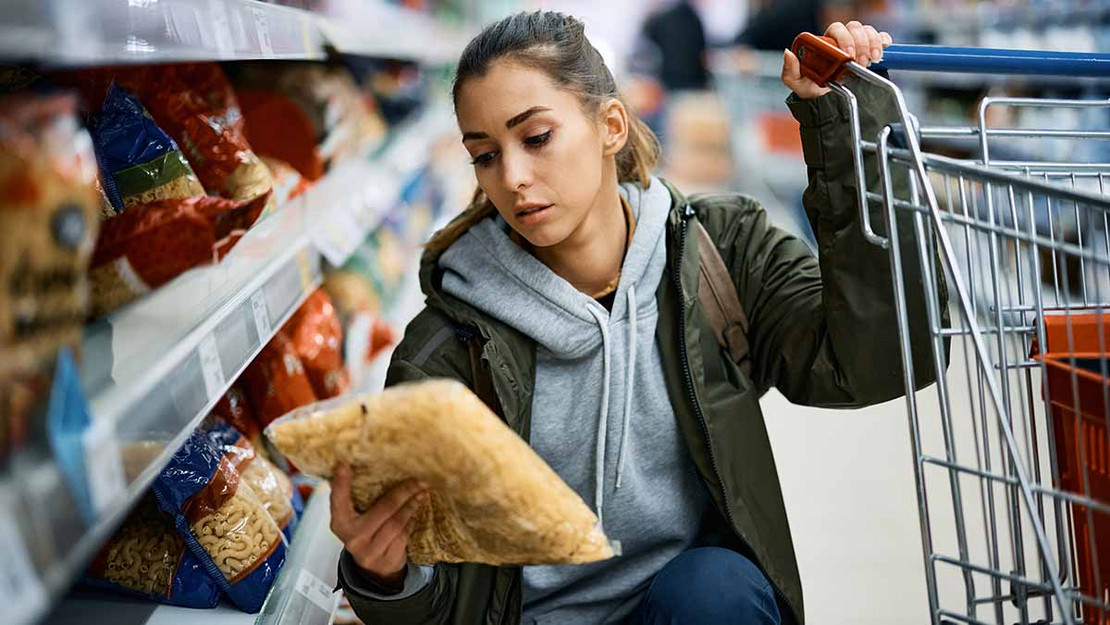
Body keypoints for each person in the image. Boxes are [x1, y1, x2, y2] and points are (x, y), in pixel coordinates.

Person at [331, 11, 941, 625]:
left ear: (611, 126)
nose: (512, 177)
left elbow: (880, 360)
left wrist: (847, 129)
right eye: (484, 155)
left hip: (679, 609)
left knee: (718, 589)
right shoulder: (444, 353)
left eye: (536, 137)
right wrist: (385, 576)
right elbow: (434, 606)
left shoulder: (718, 255)